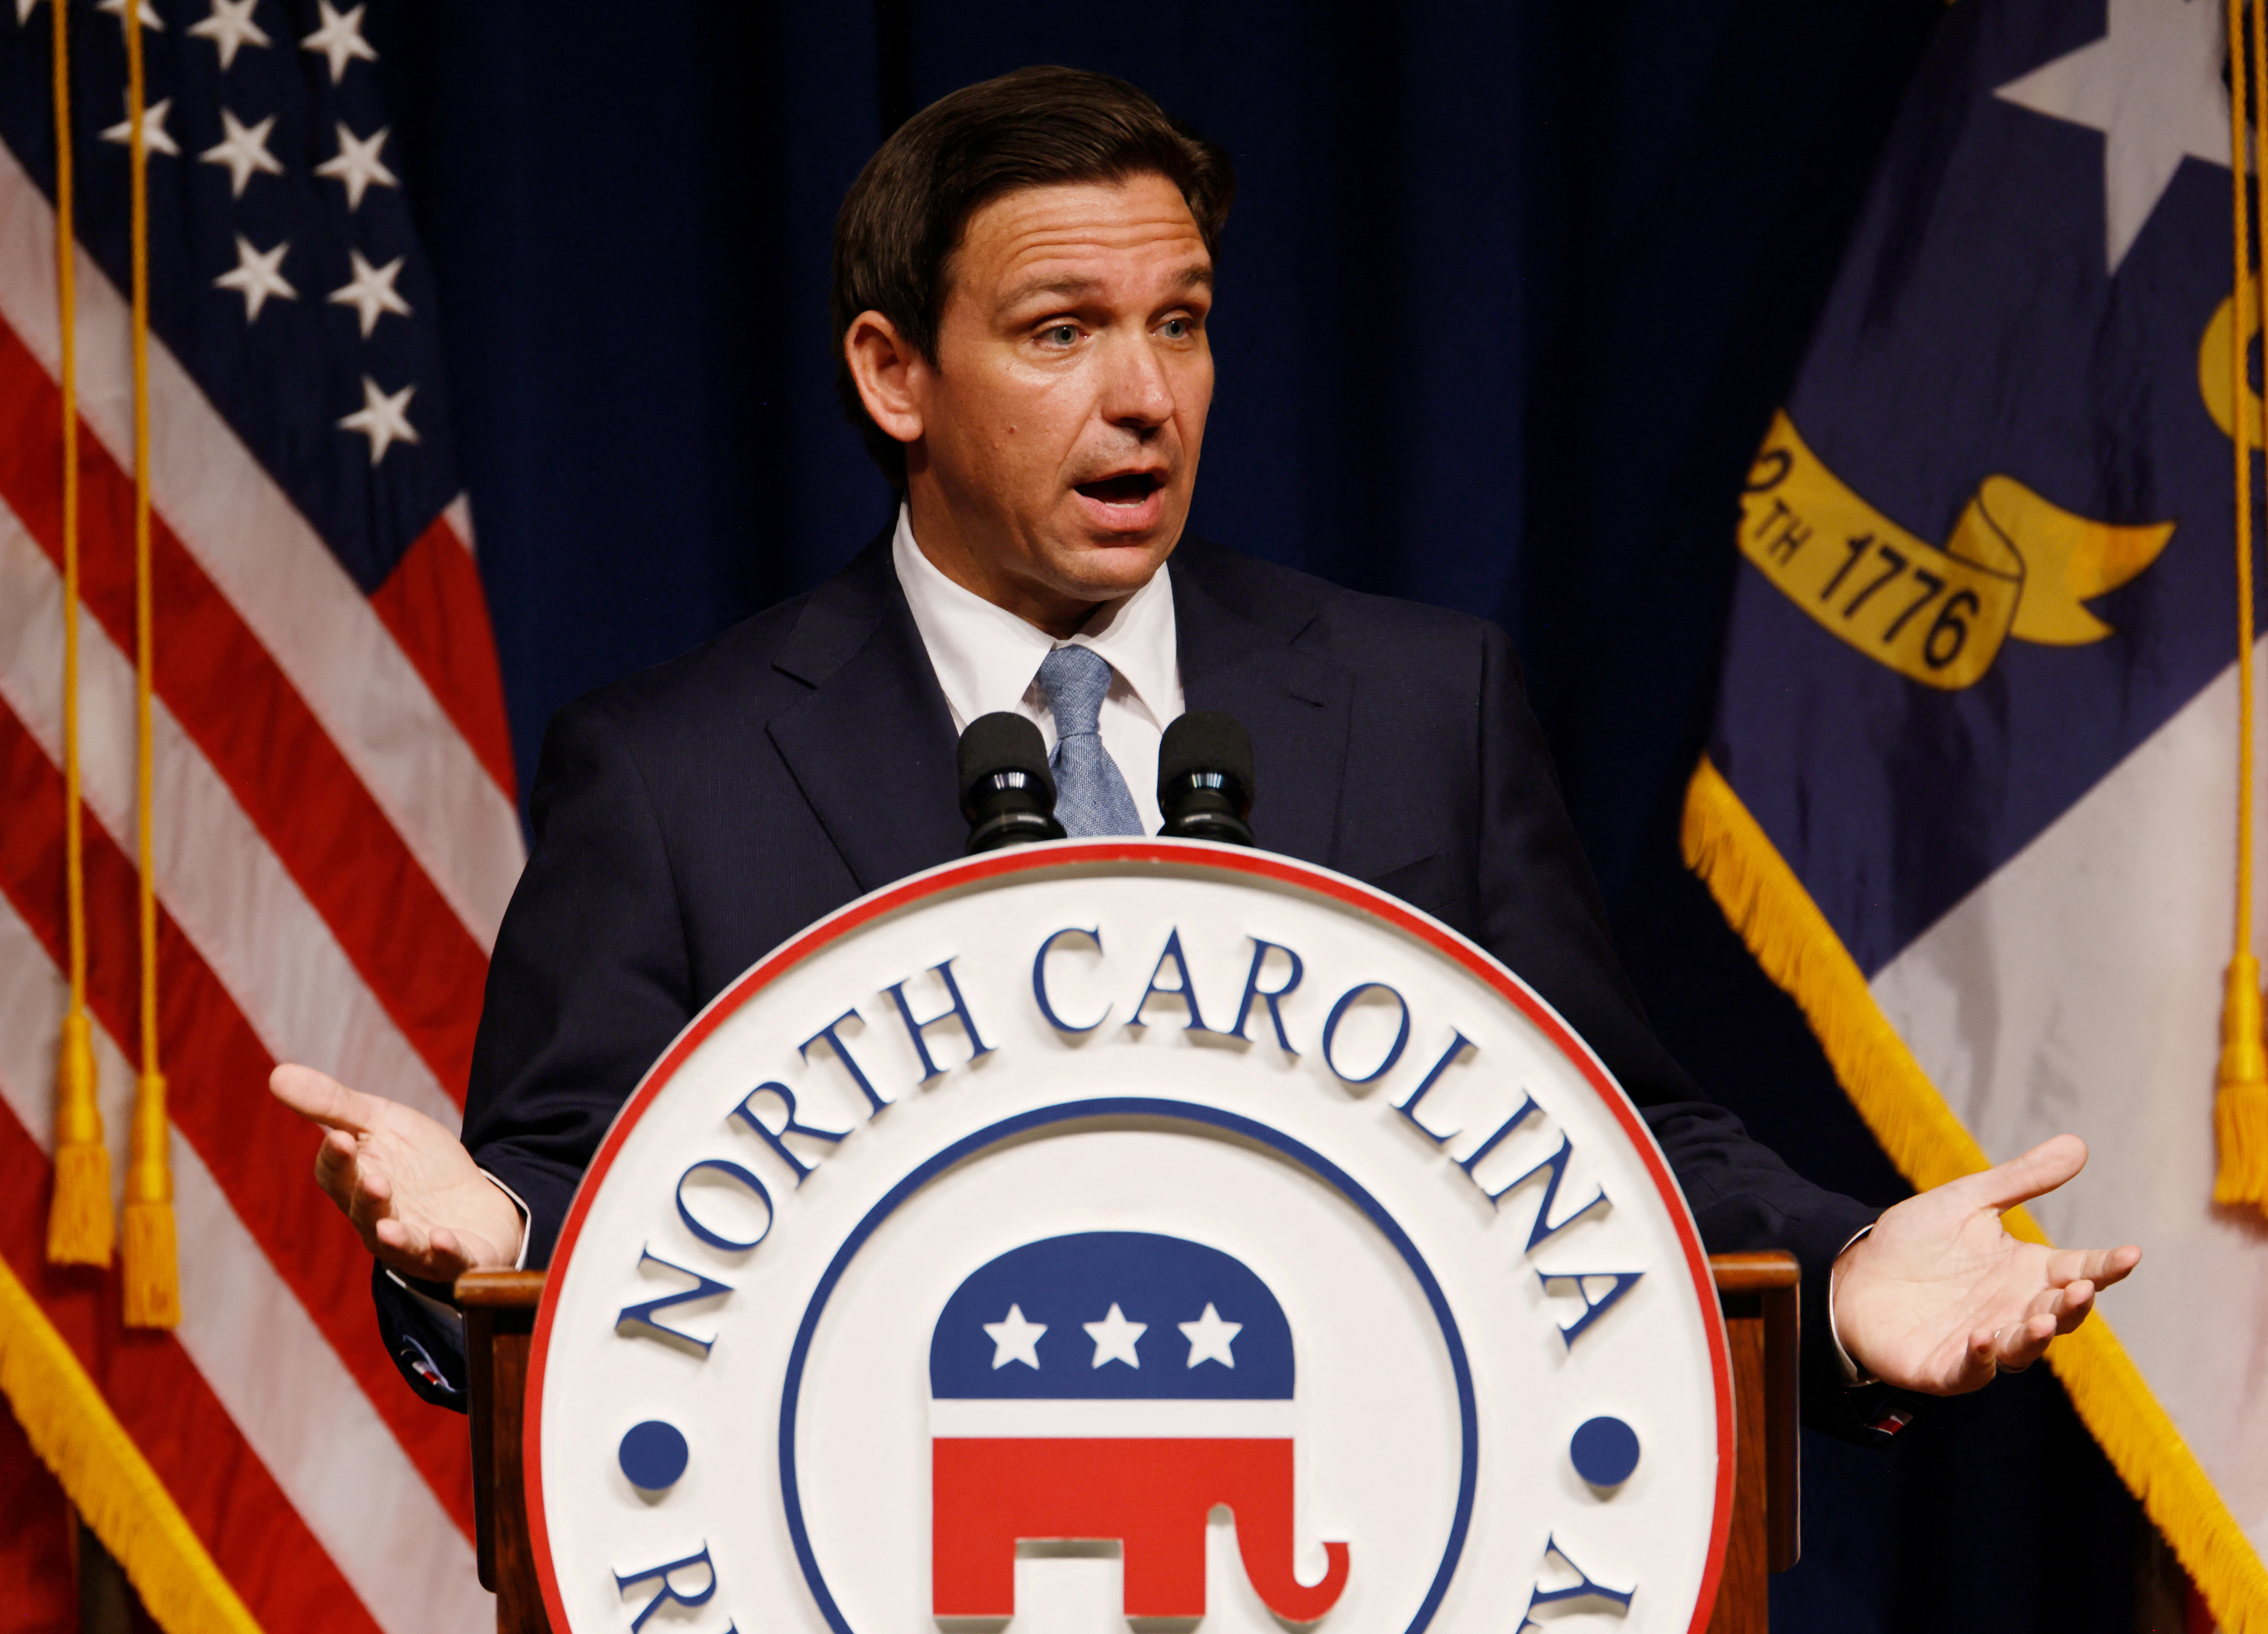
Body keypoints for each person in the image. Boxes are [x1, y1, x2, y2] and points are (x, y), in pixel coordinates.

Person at [271, 67, 2137, 1429]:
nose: (1146, 396)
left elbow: (1621, 1141)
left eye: (1181, 325)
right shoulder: (674, 773)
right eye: (1063, 331)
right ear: (892, 372)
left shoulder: (1422, 708)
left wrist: (1835, 1282)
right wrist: (489, 1231)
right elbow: (571, 1200)